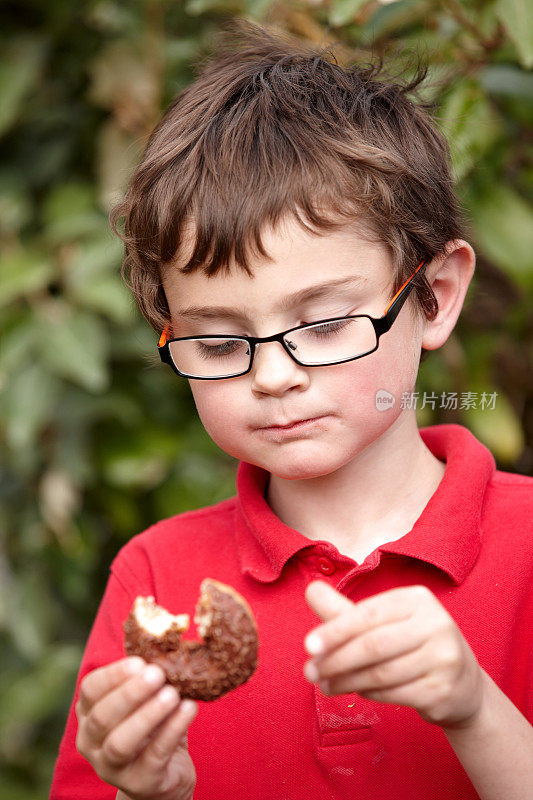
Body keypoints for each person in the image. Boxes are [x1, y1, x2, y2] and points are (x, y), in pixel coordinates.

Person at [50, 18, 533, 800]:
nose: (273, 375)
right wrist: (149, 792)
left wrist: (475, 711)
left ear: (435, 296)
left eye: (322, 325)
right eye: (217, 343)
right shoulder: (155, 576)